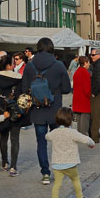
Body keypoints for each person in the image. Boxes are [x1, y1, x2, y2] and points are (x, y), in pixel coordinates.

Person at [22, 37, 72, 185]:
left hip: (38, 110)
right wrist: (54, 91)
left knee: (41, 143)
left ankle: (45, 173)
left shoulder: (30, 66)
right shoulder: (59, 65)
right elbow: (67, 88)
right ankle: (60, 169)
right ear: (51, 48)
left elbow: (25, 89)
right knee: (59, 141)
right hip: (55, 110)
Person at [47, 107, 94, 198]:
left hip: (57, 164)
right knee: (75, 180)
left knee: (57, 184)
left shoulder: (54, 132)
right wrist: (92, 144)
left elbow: (47, 136)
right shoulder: (72, 132)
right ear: (71, 120)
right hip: (70, 163)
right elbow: (86, 139)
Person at [0, 56, 28, 175]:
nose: (14, 64)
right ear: (9, 65)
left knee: (3, 137)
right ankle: (13, 167)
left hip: (1, 111)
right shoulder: (19, 78)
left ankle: (4, 162)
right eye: (12, 62)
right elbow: (23, 94)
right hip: (15, 110)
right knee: (15, 139)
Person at [72, 56, 92, 136]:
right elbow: (87, 89)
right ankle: (84, 135)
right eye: (88, 62)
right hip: (84, 99)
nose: (89, 64)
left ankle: (79, 134)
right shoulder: (85, 73)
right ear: (85, 63)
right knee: (84, 120)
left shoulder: (77, 71)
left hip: (77, 98)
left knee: (79, 119)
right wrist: (91, 95)